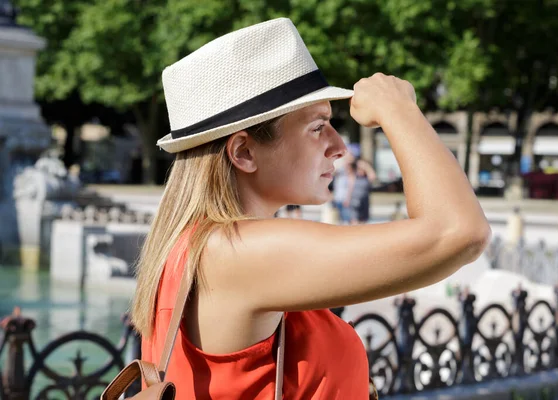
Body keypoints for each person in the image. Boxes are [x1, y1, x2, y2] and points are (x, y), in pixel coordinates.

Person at [131, 18, 491, 399]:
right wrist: (398, 110)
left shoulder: (200, 248)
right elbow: (459, 232)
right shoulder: (239, 252)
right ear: (244, 152)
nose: (339, 146)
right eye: (319, 126)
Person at [348, 159, 377, 224]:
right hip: (354, 200)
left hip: (364, 200)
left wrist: (366, 166)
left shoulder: (367, 176)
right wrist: (348, 199)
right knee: (354, 220)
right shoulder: (354, 175)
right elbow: (350, 188)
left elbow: (373, 176)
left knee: (363, 220)